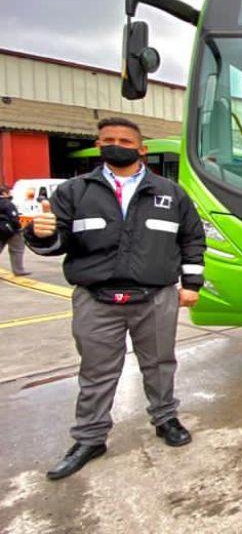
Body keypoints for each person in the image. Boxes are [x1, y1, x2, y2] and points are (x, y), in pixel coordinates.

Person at [24, 117, 206, 480]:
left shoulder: (171, 194)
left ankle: (166, 418)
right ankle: (90, 438)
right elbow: (56, 240)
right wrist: (42, 236)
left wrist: (192, 284)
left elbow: (192, 239)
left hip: (154, 298)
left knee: (159, 364)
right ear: (98, 144)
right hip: (96, 299)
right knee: (96, 372)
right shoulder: (75, 192)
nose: (115, 144)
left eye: (125, 140)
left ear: (142, 149)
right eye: (108, 139)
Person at [0, 185, 30, 276]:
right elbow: (13, 217)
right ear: (4, 193)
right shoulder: (7, 203)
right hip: (12, 231)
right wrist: (18, 227)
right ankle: (18, 270)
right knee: (17, 250)